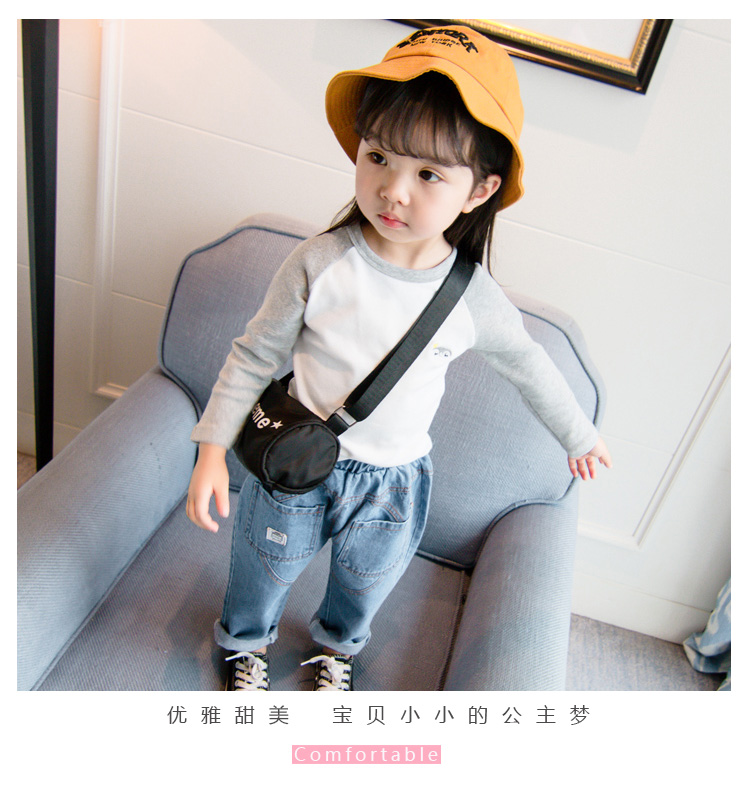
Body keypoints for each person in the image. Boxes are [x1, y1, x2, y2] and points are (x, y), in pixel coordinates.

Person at [186, 24, 613, 692]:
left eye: (428, 174)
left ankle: (337, 649)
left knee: (365, 583)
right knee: (262, 567)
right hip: (297, 457)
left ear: (478, 191)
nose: (394, 190)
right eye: (378, 156)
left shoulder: (472, 298)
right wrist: (212, 449)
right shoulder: (321, 261)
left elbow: (529, 365)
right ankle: (244, 642)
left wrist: (578, 434)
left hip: (393, 483)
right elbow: (253, 354)